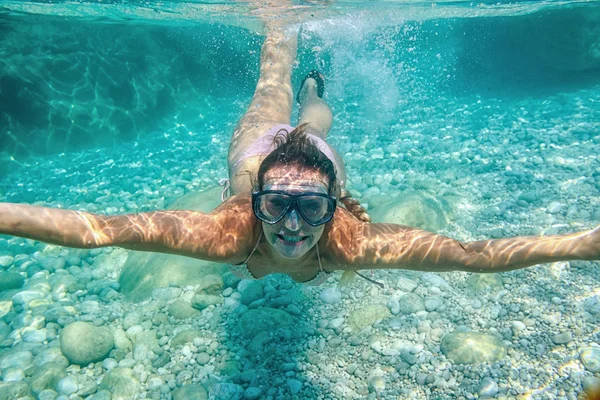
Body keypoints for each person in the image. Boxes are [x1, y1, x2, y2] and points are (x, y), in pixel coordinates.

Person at [1, 26, 599, 287]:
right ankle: (279, 33)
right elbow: (99, 231)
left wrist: (582, 244)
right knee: (271, 85)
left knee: (312, 117)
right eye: (278, 207)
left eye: (309, 210)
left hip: (315, 161)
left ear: (333, 205)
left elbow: (470, 256)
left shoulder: (349, 237)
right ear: (255, 204)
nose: (290, 227)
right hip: (258, 155)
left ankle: (315, 92)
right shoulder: (227, 232)